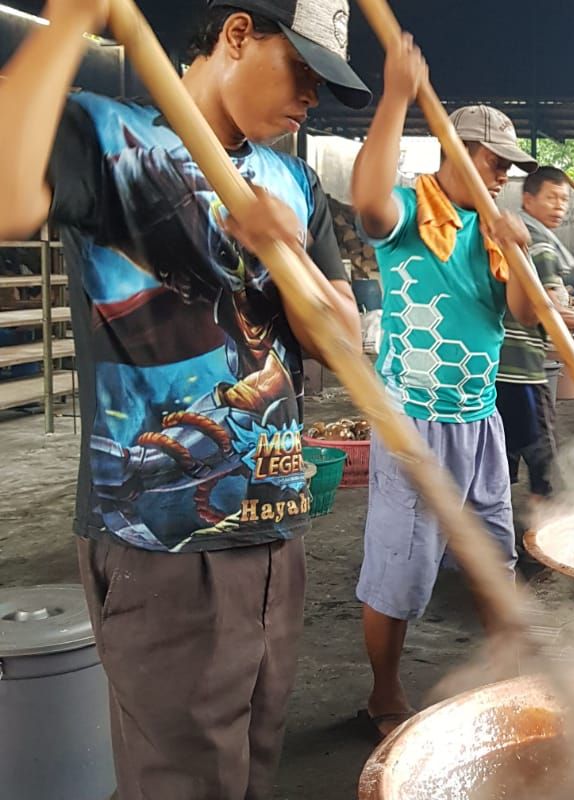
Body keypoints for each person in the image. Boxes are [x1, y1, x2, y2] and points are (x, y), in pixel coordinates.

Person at [0, 1, 365, 796]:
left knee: (252, 762)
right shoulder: (106, 135)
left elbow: (343, 344)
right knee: (181, 780)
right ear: (238, 34)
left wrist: (280, 247)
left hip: (275, 520)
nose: (311, 99)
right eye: (301, 71)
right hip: (161, 533)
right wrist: (67, 25)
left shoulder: (295, 181)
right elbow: (6, 199)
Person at [351, 31, 538, 739]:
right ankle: (384, 691)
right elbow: (367, 202)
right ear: (457, 150)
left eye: (507, 167)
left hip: (478, 417)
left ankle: (508, 672)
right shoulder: (411, 213)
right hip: (413, 421)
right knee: (400, 567)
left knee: (496, 556)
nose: (501, 175)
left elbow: (523, 319)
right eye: (494, 161)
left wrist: (519, 256)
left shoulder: (495, 231)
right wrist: (397, 95)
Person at [495, 166, 574, 503]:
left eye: (563, 200)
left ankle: (496, 527)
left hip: (497, 368)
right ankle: (538, 537)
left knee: (502, 457)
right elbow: (546, 311)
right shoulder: (538, 246)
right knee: (544, 464)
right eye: (550, 198)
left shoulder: (522, 236)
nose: (559, 207)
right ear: (528, 199)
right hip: (521, 370)